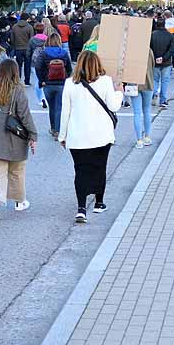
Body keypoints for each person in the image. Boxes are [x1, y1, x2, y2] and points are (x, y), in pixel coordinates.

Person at [58, 50, 123, 223]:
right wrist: (119, 92)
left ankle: (81, 208)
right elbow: (114, 106)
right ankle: (99, 203)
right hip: (101, 135)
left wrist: (62, 135)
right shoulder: (106, 81)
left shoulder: (70, 84)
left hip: (77, 136)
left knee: (80, 171)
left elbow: (65, 112)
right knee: (100, 167)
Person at [0, 58, 37, 220]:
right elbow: (25, 116)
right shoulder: (18, 91)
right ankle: (19, 201)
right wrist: (33, 135)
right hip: (13, 141)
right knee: (16, 171)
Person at [36, 32, 72, 136]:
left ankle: (52, 127)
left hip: (48, 83)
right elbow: (69, 68)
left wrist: (41, 80)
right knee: (59, 107)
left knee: (51, 107)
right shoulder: (64, 53)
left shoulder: (44, 53)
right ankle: (58, 130)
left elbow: (38, 67)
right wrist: (66, 77)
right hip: (61, 84)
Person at [127, 48, 156, 148]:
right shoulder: (149, 50)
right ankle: (147, 137)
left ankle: (139, 140)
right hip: (147, 82)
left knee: (137, 112)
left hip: (133, 83)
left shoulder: (129, 51)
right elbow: (153, 65)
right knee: (147, 110)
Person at [150, 19, 174, 108]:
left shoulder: (152, 35)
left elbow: (150, 48)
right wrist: (164, 58)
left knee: (155, 80)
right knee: (165, 81)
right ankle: (163, 100)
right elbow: (171, 49)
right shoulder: (170, 35)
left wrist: (155, 58)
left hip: (155, 61)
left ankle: (154, 93)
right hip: (166, 62)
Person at [10, 14, 35, 84]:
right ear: (27, 19)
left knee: (18, 65)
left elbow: (12, 39)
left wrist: (14, 45)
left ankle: (18, 80)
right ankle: (27, 81)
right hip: (27, 49)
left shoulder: (15, 27)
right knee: (27, 65)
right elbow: (31, 39)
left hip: (18, 48)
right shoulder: (29, 27)